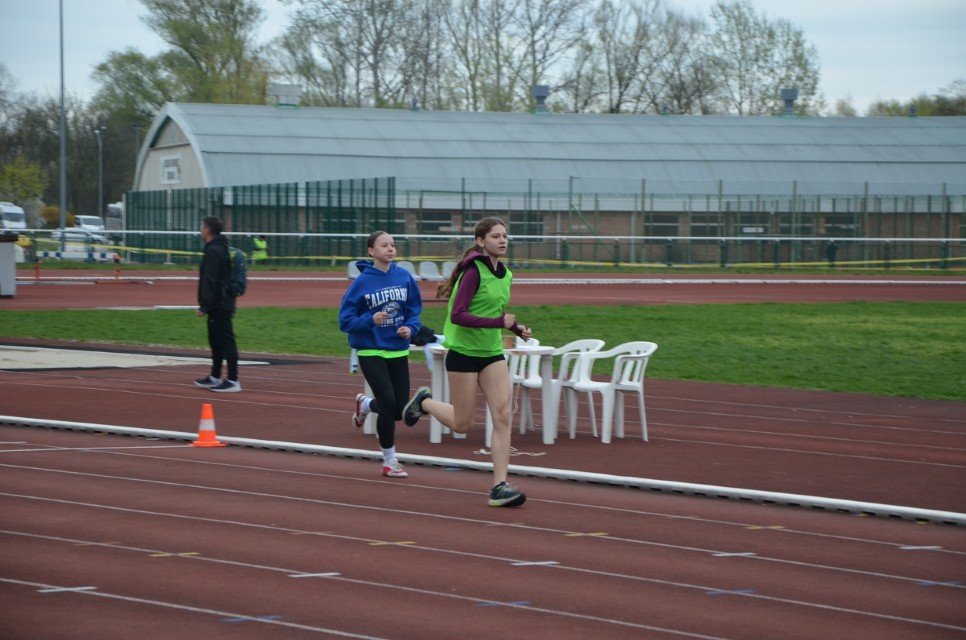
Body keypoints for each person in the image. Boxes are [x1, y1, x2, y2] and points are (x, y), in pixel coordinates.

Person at [401, 217, 531, 507]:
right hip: (464, 352)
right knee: (462, 424)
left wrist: (515, 327)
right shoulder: (473, 272)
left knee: (502, 415)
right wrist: (499, 322)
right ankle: (425, 403)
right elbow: (458, 314)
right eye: (496, 236)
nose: (502, 240)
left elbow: (494, 311)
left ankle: (499, 486)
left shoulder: (506, 274)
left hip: (491, 352)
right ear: (481, 241)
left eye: (505, 235)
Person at [339, 230, 423, 478]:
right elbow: (345, 321)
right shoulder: (361, 282)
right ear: (371, 251)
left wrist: (411, 328)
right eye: (384, 245)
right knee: (387, 403)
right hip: (370, 348)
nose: (390, 249)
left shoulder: (404, 276)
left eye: (393, 245)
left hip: (397, 348)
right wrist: (370, 320)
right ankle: (389, 461)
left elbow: (414, 311)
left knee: (398, 410)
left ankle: (365, 404)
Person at [194, 216, 241, 393]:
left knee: (226, 341)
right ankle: (215, 376)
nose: (200, 231)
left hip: (219, 303)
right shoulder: (221, 248)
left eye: (202, 227)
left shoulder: (214, 251)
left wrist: (204, 306)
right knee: (215, 341)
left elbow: (210, 280)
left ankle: (233, 380)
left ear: (207, 230)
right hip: (222, 301)